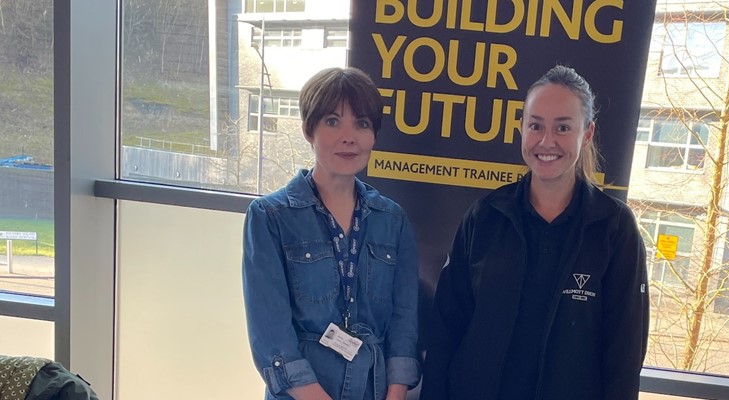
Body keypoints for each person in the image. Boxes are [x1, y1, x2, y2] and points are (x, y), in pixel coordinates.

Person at [420, 65, 649, 400]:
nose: (546, 141)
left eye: (563, 128)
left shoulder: (614, 229)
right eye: (536, 125)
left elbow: (624, 357)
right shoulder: (485, 218)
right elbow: (445, 333)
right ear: (522, 128)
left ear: (586, 134)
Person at [242, 67, 420, 400]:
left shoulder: (393, 220)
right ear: (309, 130)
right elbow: (271, 338)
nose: (349, 136)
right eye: (333, 121)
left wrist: (395, 396)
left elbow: (404, 324)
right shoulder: (270, 218)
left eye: (362, 123)